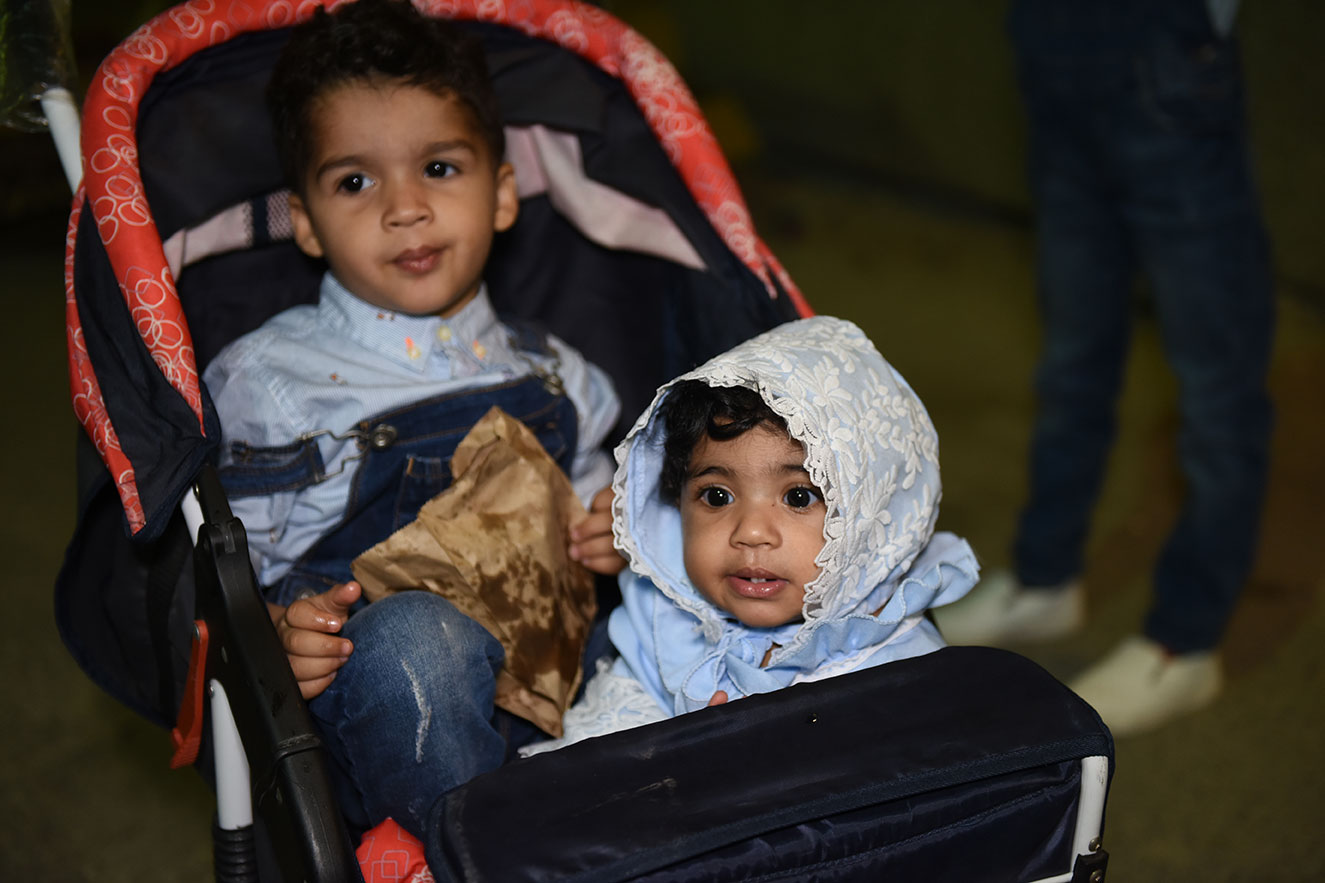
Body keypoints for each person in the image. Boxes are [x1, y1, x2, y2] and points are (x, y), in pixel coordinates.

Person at [201, 0, 623, 837]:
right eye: (354, 182)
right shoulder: (271, 382)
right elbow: (226, 576)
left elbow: (596, 508)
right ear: (305, 222)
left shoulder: (553, 369)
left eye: (438, 167)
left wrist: (618, 526)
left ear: (501, 194)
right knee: (417, 642)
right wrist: (282, 632)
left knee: (690, 609)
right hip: (387, 709)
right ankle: (451, 853)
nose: (404, 207)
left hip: (558, 676)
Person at [936, 0, 1274, 737]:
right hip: (1049, 43)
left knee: (1216, 389)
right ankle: (1045, 579)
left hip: (1164, 51)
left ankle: (1185, 643)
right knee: (1072, 355)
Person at [522, 316, 980, 751]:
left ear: (871, 518)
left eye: (798, 497)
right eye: (717, 496)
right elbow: (595, 758)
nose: (751, 532)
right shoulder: (665, 626)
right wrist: (672, 756)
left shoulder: (898, 669)